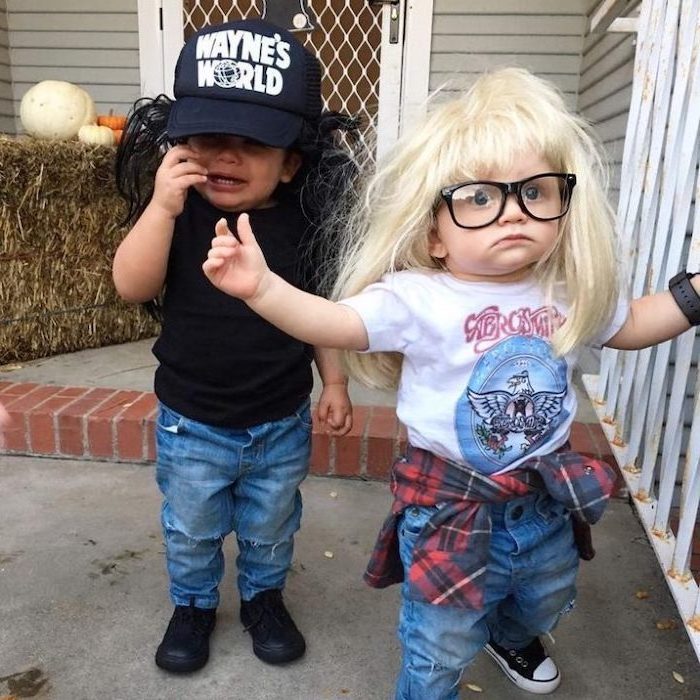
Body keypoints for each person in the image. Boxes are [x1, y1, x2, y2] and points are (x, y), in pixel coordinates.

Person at [202, 67, 700, 698]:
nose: (512, 213)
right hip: (450, 507)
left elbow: (632, 323)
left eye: (536, 192)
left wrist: (693, 293)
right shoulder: (419, 298)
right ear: (432, 232)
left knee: (546, 596)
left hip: (542, 498)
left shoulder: (567, 293)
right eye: (479, 197)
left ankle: (511, 633)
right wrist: (263, 288)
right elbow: (338, 321)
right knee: (438, 643)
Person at [112, 18, 359, 674]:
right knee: (191, 529)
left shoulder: (305, 225)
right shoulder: (181, 213)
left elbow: (319, 316)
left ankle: (263, 600)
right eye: (207, 136)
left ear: (292, 162)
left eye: (251, 142)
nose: (223, 155)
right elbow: (130, 286)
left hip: (279, 419)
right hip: (192, 420)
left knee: (271, 524)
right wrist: (160, 210)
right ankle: (193, 604)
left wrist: (333, 382)